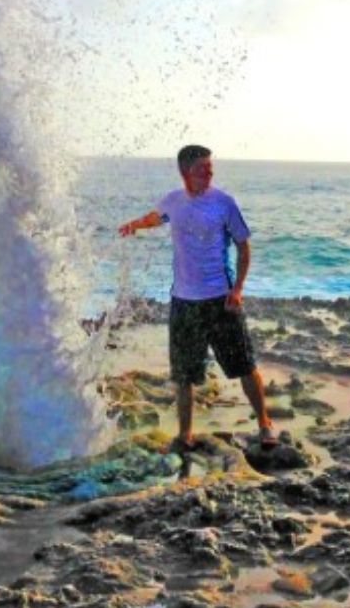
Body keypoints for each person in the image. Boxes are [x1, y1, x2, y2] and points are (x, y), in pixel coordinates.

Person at [119, 144, 278, 452]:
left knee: (244, 365)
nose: (209, 172)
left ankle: (265, 424)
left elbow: (244, 247)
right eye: (201, 168)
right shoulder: (173, 201)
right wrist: (135, 225)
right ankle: (185, 435)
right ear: (185, 172)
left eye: (210, 167)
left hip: (221, 299)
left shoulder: (224, 203)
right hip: (183, 302)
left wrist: (238, 289)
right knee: (183, 375)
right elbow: (156, 217)